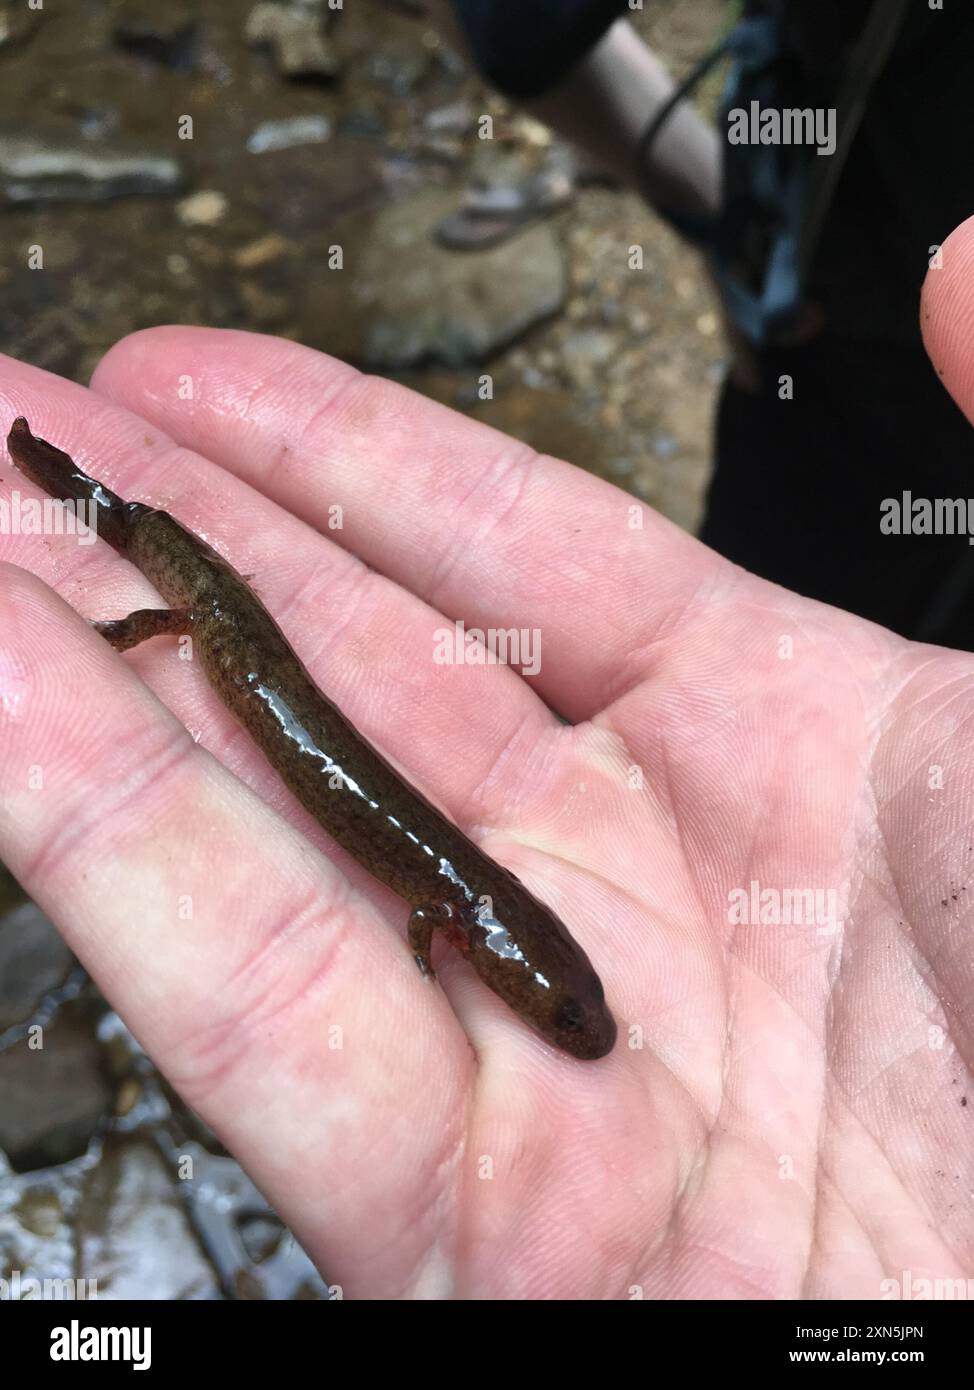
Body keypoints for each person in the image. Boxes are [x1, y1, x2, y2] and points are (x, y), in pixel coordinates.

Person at [0, 213, 972, 1296]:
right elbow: (430, 914)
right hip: (240, 649)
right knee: (174, 586)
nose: (579, 1021)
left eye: (569, 1003)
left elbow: (436, 913)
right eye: (570, 1006)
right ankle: (73, 507)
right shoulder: (453, 904)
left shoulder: (459, 903)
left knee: (192, 601)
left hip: (255, 663)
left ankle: (103, 538)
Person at [430, 1, 974, 649]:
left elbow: (500, 27)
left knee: (761, 628)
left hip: (843, 351)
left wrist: (711, 212)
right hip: (839, 338)